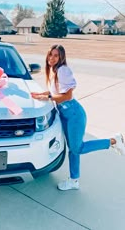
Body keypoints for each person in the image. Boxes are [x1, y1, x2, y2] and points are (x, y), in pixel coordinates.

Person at [31, 44, 125, 191]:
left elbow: (67, 96)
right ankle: (74, 181)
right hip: (65, 113)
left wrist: (48, 97)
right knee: (73, 149)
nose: (52, 58)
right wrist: (41, 95)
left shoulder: (63, 70)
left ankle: (113, 141)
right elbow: (54, 91)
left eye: (56, 56)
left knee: (78, 148)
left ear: (61, 57)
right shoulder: (52, 71)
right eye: (51, 54)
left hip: (74, 113)